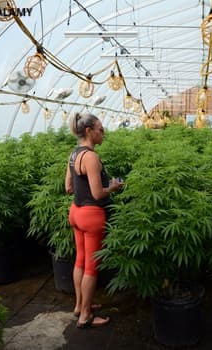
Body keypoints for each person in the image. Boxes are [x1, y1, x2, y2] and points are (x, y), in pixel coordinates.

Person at [65, 112, 123, 329]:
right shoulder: (91, 157)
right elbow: (99, 194)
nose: (103, 133)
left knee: (79, 260)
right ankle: (86, 315)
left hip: (75, 212)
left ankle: (80, 305)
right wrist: (114, 187)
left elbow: (68, 187)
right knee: (91, 267)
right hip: (91, 215)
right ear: (89, 131)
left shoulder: (73, 154)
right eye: (100, 129)